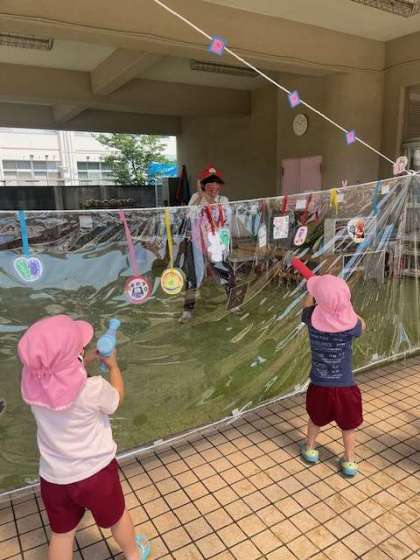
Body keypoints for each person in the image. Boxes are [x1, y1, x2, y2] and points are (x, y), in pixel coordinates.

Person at [18, 315, 150, 560]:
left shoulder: (34, 386)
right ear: (74, 357)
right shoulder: (93, 388)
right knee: (117, 517)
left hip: (54, 478)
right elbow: (116, 399)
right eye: (80, 349)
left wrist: (86, 358)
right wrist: (114, 367)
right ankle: (134, 554)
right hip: (96, 474)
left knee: (62, 534)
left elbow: (54, 373)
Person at [300, 275, 366, 477]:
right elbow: (363, 326)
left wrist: (312, 290)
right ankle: (349, 461)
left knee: (315, 419)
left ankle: (310, 449)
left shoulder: (311, 319)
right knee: (349, 427)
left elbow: (306, 307)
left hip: (319, 385)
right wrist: (348, 310)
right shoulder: (351, 326)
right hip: (345, 388)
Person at [179, 166, 236, 322]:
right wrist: (200, 195)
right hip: (197, 242)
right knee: (194, 276)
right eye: (209, 183)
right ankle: (187, 310)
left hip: (216, 243)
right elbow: (189, 215)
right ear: (203, 184)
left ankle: (234, 303)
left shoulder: (223, 200)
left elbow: (226, 216)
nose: (213, 187)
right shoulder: (195, 197)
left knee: (225, 271)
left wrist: (204, 194)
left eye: (216, 183)